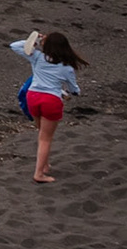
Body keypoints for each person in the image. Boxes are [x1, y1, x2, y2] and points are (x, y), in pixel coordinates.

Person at [10, 30, 86, 183]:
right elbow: (73, 88)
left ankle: (44, 165)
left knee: (41, 133)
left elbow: (15, 46)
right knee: (46, 138)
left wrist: (35, 40)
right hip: (51, 100)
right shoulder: (66, 67)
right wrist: (75, 92)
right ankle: (39, 174)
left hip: (33, 96)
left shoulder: (38, 57)